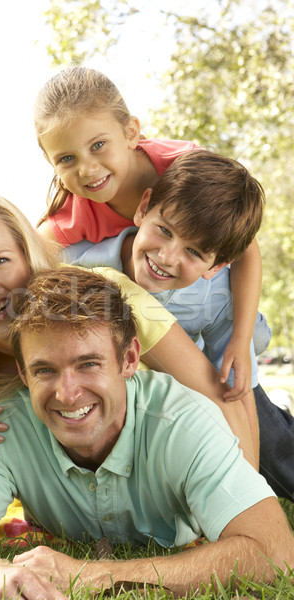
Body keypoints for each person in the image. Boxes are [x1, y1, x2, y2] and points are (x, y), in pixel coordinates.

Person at [0, 267, 294, 600]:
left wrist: (89, 574)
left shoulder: (184, 422)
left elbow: (275, 551)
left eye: (88, 363)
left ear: (128, 360)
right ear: (23, 374)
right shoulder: (0, 424)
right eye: (45, 370)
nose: (67, 393)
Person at [0, 190, 255, 488]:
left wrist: (247, 496)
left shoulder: (108, 295)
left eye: (0, 261)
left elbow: (219, 401)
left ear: (28, 257)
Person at [63, 149, 294, 500]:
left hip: (198, 374)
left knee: (275, 457)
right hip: (141, 391)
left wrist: (249, 497)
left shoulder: (217, 294)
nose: (167, 257)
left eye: (195, 253)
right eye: (164, 230)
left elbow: (235, 393)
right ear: (143, 209)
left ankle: (277, 403)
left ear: (216, 265)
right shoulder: (79, 263)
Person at [34, 66, 263, 398]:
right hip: (164, 314)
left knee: (251, 403)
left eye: (98, 144)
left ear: (130, 132)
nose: (87, 169)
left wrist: (240, 341)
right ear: (49, 160)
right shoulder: (74, 213)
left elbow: (246, 251)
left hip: (223, 309)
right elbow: (15, 260)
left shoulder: (184, 170)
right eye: (67, 158)